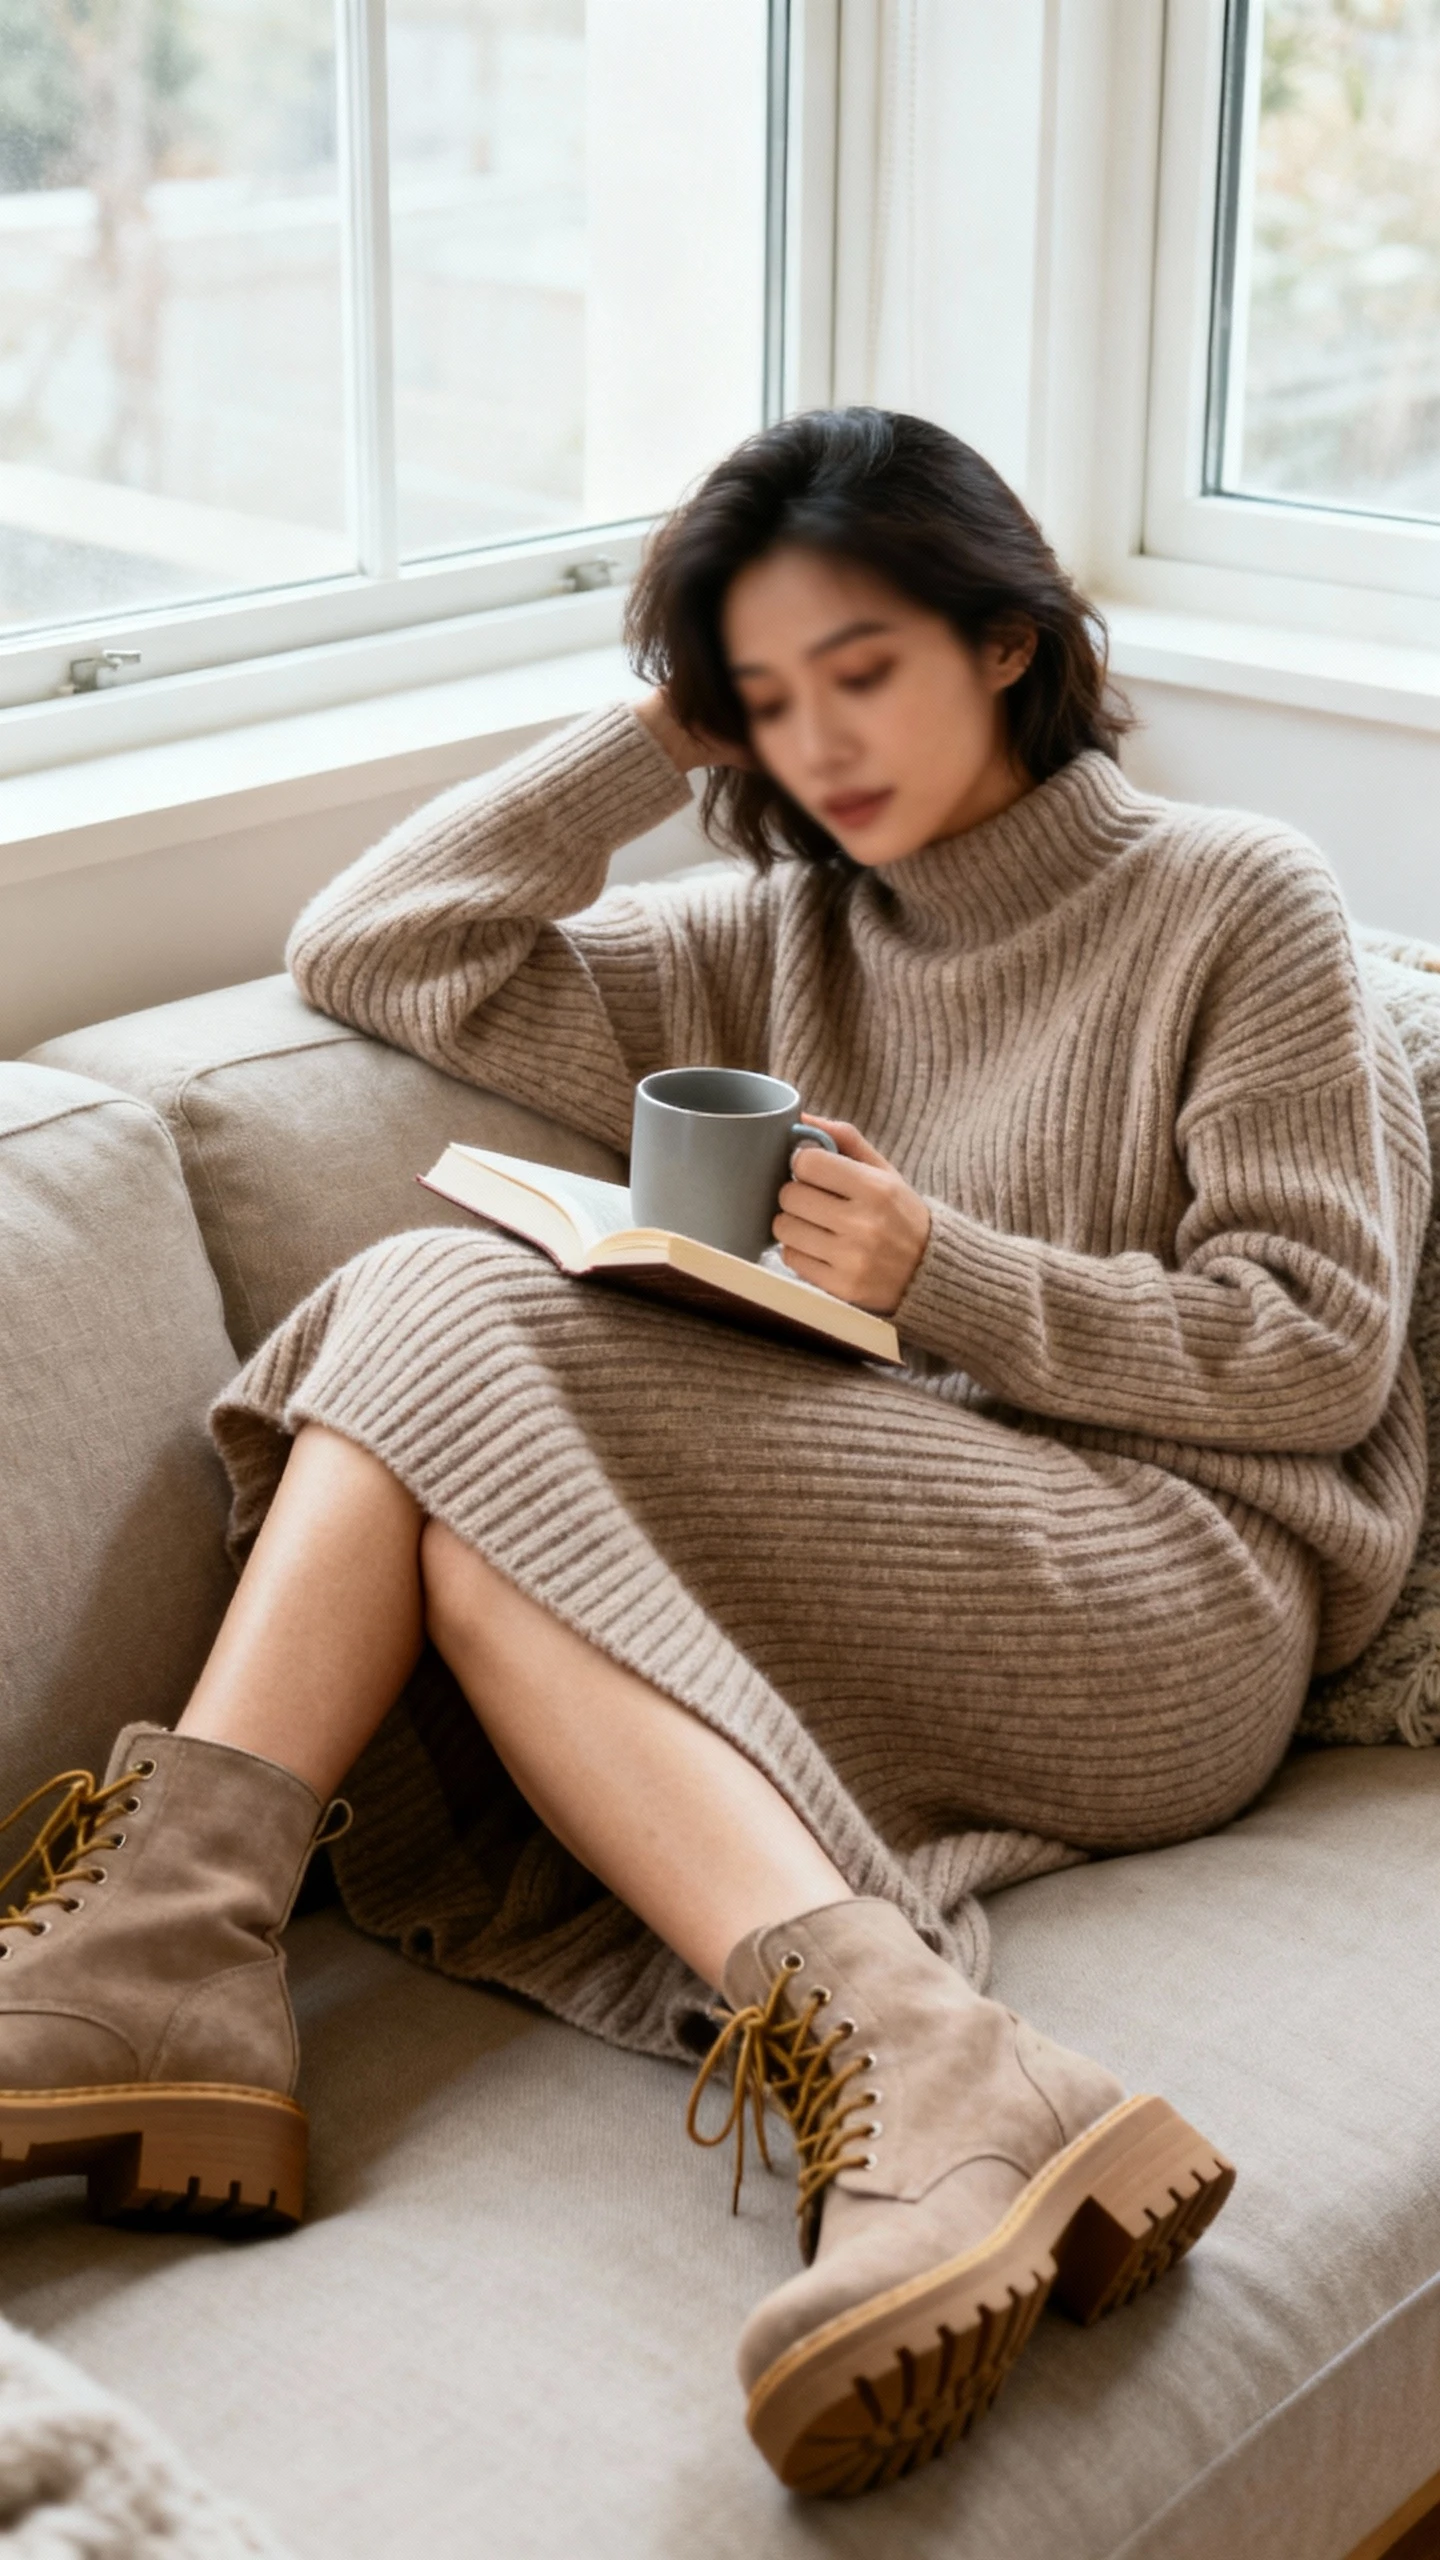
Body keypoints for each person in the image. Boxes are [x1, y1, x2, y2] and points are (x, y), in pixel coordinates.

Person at [0, 410, 1428, 2500]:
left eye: (863, 668)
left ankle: (173, 1939)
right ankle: (922, 2070)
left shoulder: (1233, 899)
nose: (820, 743)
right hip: (908, 1543)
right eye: (768, 697)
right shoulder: (778, 929)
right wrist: (656, 737)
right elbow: (380, 946)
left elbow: (1316, 1354)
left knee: (430, 1311)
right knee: (457, 1416)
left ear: (1008, 634)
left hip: (1181, 1589)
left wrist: (946, 1270)